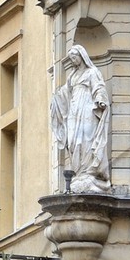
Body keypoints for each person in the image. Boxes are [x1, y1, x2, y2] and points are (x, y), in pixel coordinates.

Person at [50, 44, 111, 194]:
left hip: (87, 108)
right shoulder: (72, 76)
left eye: (75, 57)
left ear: (82, 56)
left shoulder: (92, 72)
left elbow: (99, 87)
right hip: (74, 109)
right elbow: (65, 93)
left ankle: (89, 172)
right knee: (73, 141)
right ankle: (79, 173)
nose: (73, 60)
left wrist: (100, 99)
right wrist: (56, 98)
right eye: (71, 58)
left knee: (87, 138)